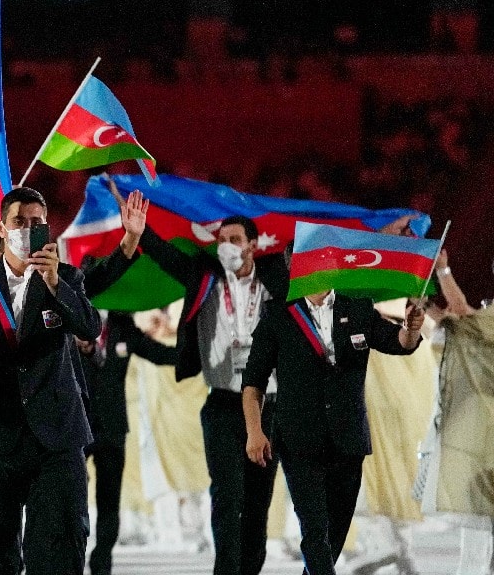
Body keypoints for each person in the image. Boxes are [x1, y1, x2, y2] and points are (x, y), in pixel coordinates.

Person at [0, 187, 115, 575]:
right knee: (2, 553)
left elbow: (89, 327)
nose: (28, 230)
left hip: (57, 436)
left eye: (37, 223)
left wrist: (55, 282)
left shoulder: (67, 278)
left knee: (58, 547)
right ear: (1, 228)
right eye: (19, 222)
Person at [137, 210, 288, 575]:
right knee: (226, 495)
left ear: (253, 246)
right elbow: (162, 252)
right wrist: (139, 231)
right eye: (222, 241)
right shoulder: (202, 278)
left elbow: (324, 240)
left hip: (268, 407)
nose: (227, 247)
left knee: (257, 502)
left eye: (235, 240)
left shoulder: (277, 281)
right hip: (221, 403)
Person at [243, 288, 424, 575]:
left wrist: (410, 329)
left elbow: (398, 343)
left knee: (334, 533)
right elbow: (253, 381)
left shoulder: (358, 309)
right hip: (299, 440)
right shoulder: (279, 313)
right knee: (315, 531)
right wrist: (254, 431)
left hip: (348, 439)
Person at [79, 310, 178, 575]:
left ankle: (102, 560)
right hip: (76, 426)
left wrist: (198, 351)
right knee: (70, 497)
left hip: (112, 427)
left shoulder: (121, 323)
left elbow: (155, 352)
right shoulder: (71, 317)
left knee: (110, 499)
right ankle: (69, 553)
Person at [419, 250, 494, 575]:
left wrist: (443, 270)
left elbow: (463, 317)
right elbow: (456, 323)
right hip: (481, 431)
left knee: (479, 510)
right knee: (478, 511)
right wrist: (421, 301)